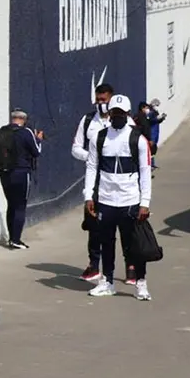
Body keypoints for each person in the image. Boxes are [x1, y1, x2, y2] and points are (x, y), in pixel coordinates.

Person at [83, 94, 153, 301]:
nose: (117, 116)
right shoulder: (99, 137)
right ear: (109, 114)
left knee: (134, 243)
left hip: (130, 200)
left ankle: (141, 283)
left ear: (128, 114)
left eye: (121, 113)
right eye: (114, 113)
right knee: (106, 242)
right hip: (105, 199)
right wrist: (89, 196)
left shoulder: (137, 139)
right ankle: (108, 282)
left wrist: (145, 202)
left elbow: (145, 170)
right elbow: (91, 166)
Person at [71, 83, 113, 280]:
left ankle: (132, 266)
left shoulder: (123, 120)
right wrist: (91, 157)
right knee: (93, 224)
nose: (100, 103)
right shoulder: (88, 120)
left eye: (104, 100)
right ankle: (94, 264)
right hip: (94, 180)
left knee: (122, 225)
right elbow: (76, 148)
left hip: (117, 181)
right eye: (98, 100)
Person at [0, 109, 43, 249]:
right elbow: (36, 152)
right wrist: (39, 139)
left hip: (5, 172)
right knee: (20, 206)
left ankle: (12, 238)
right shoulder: (26, 132)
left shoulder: (2, 131)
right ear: (24, 120)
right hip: (21, 173)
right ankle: (16, 240)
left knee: (11, 204)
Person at [146, 98, 167, 169]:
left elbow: (157, 121)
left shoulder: (154, 112)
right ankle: (150, 164)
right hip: (152, 132)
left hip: (155, 132)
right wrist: (158, 118)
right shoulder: (150, 112)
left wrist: (161, 118)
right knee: (151, 148)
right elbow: (150, 120)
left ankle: (152, 163)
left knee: (154, 148)